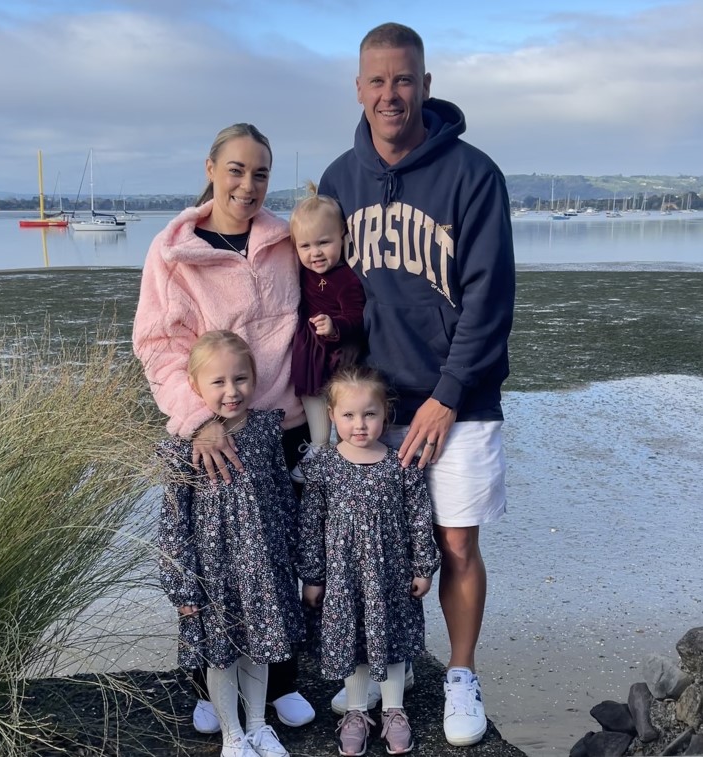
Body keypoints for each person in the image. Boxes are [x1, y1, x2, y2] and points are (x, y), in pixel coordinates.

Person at [318, 22, 515, 747]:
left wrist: (449, 392)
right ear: (359, 89)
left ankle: (461, 672)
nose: (390, 94)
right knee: (371, 552)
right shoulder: (340, 179)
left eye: (404, 79)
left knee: (455, 543)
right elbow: (321, 285)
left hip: (457, 402)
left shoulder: (473, 175)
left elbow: (490, 298)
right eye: (377, 81)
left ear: (426, 86)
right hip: (373, 405)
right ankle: (375, 677)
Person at [133, 123, 315, 734]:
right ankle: (210, 688)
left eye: (260, 173)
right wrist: (198, 421)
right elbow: (158, 346)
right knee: (213, 566)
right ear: (211, 168)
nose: (248, 184)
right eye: (236, 170)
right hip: (214, 431)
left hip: (282, 426)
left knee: (278, 555)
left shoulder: (286, 240)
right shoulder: (173, 251)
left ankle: (279, 679)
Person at [158, 330, 303, 757]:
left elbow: (281, 495)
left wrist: (294, 558)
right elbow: (173, 522)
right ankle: (232, 735)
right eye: (217, 382)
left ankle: (258, 726)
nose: (231, 391)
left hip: (262, 565)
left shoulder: (264, 431)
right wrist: (181, 585)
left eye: (240, 379)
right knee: (221, 653)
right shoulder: (181, 447)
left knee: (260, 645)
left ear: (255, 378)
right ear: (195, 387)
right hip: (213, 570)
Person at [298, 366, 440, 756]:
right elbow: (311, 523)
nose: (359, 424)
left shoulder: (401, 464)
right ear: (332, 416)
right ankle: (357, 713)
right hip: (344, 577)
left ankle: (395, 711)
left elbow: (418, 518)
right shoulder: (324, 465)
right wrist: (313, 576)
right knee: (354, 641)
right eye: (348, 415)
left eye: (369, 414)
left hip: (390, 575)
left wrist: (423, 567)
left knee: (391, 639)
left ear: (385, 414)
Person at [287, 183, 366, 483]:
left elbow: (357, 317)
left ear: (342, 238)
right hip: (310, 347)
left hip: (335, 349)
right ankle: (319, 445)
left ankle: (336, 449)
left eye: (324, 242)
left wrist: (335, 326)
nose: (315, 253)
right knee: (310, 392)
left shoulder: (345, 278)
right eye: (305, 246)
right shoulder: (302, 270)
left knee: (336, 397)